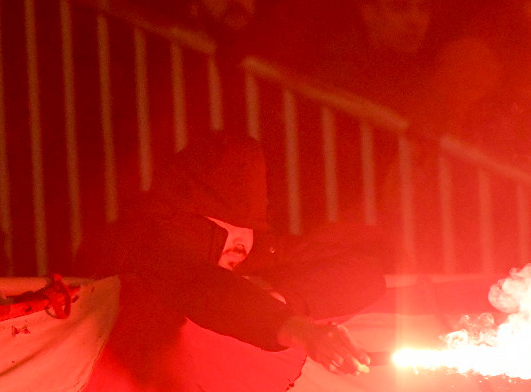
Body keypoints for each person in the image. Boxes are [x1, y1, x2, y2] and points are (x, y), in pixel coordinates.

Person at [74, 133, 380, 377]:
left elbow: (364, 274)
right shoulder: (147, 243)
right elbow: (198, 284)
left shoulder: (261, 246)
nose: (237, 256)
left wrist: (283, 298)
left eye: (243, 243)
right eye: (221, 239)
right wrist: (299, 330)